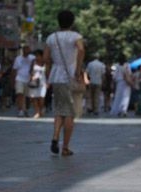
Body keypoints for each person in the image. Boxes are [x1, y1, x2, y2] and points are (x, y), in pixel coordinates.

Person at [43, 9, 85, 156]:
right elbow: (81, 50)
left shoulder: (51, 38)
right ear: (72, 22)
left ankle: (55, 137)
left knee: (59, 110)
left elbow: (46, 58)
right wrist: (78, 69)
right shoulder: (75, 36)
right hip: (70, 77)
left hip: (56, 76)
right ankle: (65, 147)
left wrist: (49, 74)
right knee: (70, 113)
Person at [12, 44, 35, 117]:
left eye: (28, 49)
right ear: (23, 50)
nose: (27, 51)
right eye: (25, 49)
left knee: (27, 96)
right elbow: (14, 69)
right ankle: (20, 110)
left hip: (28, 79)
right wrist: (13, 80)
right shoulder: (18, 59)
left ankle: (25, 109)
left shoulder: (32, 58)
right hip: (19, 78)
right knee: (20, 94)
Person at [29, 49, 47, 118]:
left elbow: (48, 73)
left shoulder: (45, 63)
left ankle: (42, 108)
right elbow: (30, 71)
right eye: (36, 56)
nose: (36, 57)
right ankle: (37, 112)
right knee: (34, 98)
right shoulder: (33, 62)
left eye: (38, 56)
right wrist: (32, 76)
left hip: (43, 82)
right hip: (34, 82)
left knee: (41, 97)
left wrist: (48, 83)